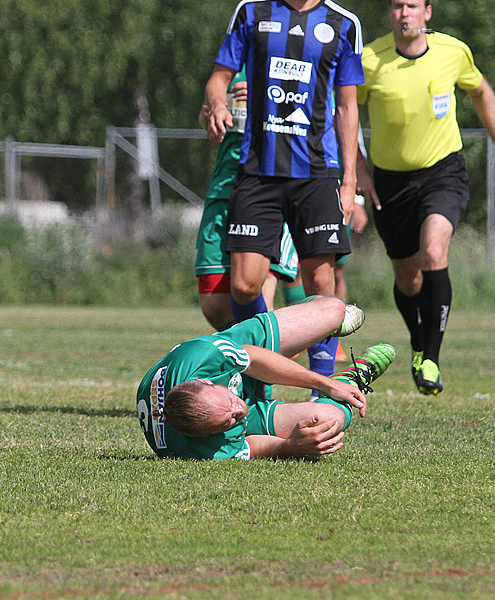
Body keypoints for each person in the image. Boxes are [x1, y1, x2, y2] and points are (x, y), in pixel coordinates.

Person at [355, 0, 495, 395]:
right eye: (397, 6)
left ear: (427, 12)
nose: (404, 13)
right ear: (390, 13)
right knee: (407, 279)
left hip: (443, 172)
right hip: (390, 182)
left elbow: (480, 91)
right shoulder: (367, 60)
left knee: (433, 252)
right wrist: (357, 168)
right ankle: (418, 341)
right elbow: (343, 112)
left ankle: (431, 357)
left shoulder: (453, 51)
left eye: (412, 5)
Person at [204, 0, 365, 380]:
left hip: (316, 174)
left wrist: (350, 182)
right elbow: (219, 76)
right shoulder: (252, 12)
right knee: (243, 285)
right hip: (258, 170)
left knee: (322, 284)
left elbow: (347, 107)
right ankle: (261, 375)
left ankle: (321, 383)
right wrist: (215, 104)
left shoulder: (344, 24)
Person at [136, 296, 394, 460]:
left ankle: (317, 321)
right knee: (328, 423)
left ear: (205, 382)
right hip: (228, 386)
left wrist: (325, 384)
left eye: (230, 402)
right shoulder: (201, 451)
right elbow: (248, 447)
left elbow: (254, 359)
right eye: (229, 420)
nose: (240, 408)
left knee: (333, 310)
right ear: (205, 435)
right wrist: (290, 446)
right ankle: (351, 379)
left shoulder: (202, 356)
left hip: (241, 359)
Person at [196, 71, 300, 331]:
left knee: (257, 298)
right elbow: (205, 115)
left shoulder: (293, 62)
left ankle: (271, 365)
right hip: (224, 189)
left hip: (270, 191)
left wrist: (264, 99)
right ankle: (263, 359)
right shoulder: (230, 70)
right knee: (215, 305)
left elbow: (317, 116)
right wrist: (212, 116)